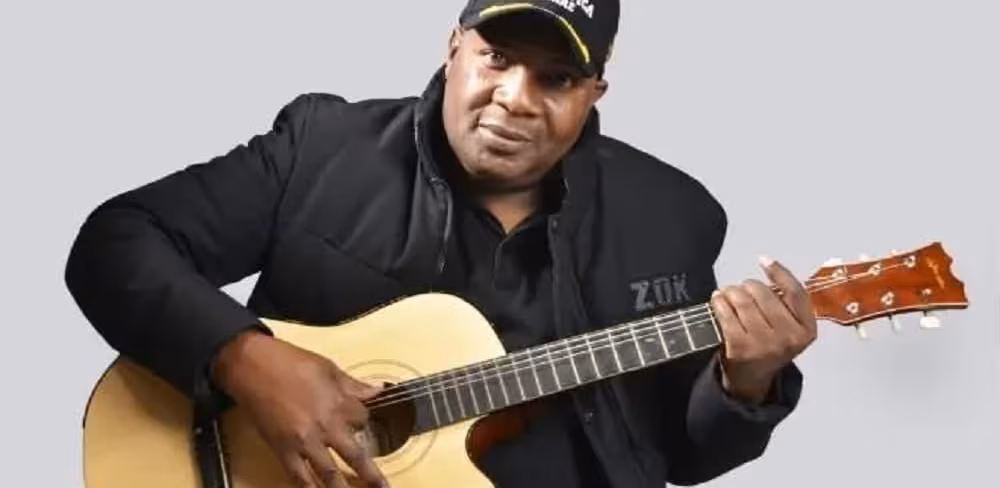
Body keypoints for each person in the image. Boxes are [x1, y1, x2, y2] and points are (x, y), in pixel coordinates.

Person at [65, 1, 817, 487]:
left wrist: (743, 383)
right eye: (498, 57)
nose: (515, 99)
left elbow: (679, 454)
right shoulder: (322, 149)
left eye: (557, 79)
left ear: (595, 94)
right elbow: (115, 242)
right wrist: (248, 362)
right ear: (454, 46)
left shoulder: (672, 216)